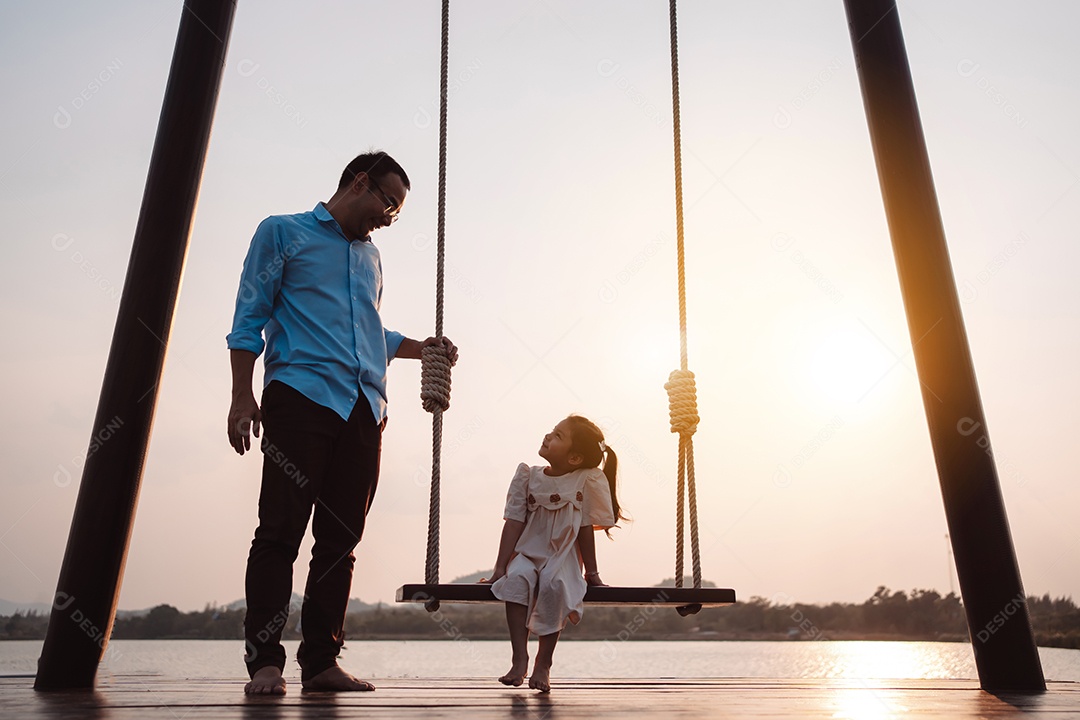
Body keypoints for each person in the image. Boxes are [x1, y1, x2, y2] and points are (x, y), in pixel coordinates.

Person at [226, 151, 457, 696]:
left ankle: (321, 662)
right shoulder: (282, 232)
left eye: (397, 211)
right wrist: (241, 396)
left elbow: (367, 329)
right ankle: (265, 663)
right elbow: (249, 316)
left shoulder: (370, 257)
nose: (389, 218)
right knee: (280, 531)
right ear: (359, 182)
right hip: (299, 398)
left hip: (364, 409)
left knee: (341, 541)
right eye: (388, 203)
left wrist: (422, 348)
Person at [483, 415, 626, 693]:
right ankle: (519, 658)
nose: (548, 436)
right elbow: (513, 523)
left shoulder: (584, 480)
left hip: (563, 555)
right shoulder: (528, 476)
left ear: (574, 458)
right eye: (552, 431)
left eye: (558, 435)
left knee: (555, 583)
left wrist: (592, 573)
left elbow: (584, 528)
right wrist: (500, 568)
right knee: (516, 580)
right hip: (528, 552)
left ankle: (544, 663)